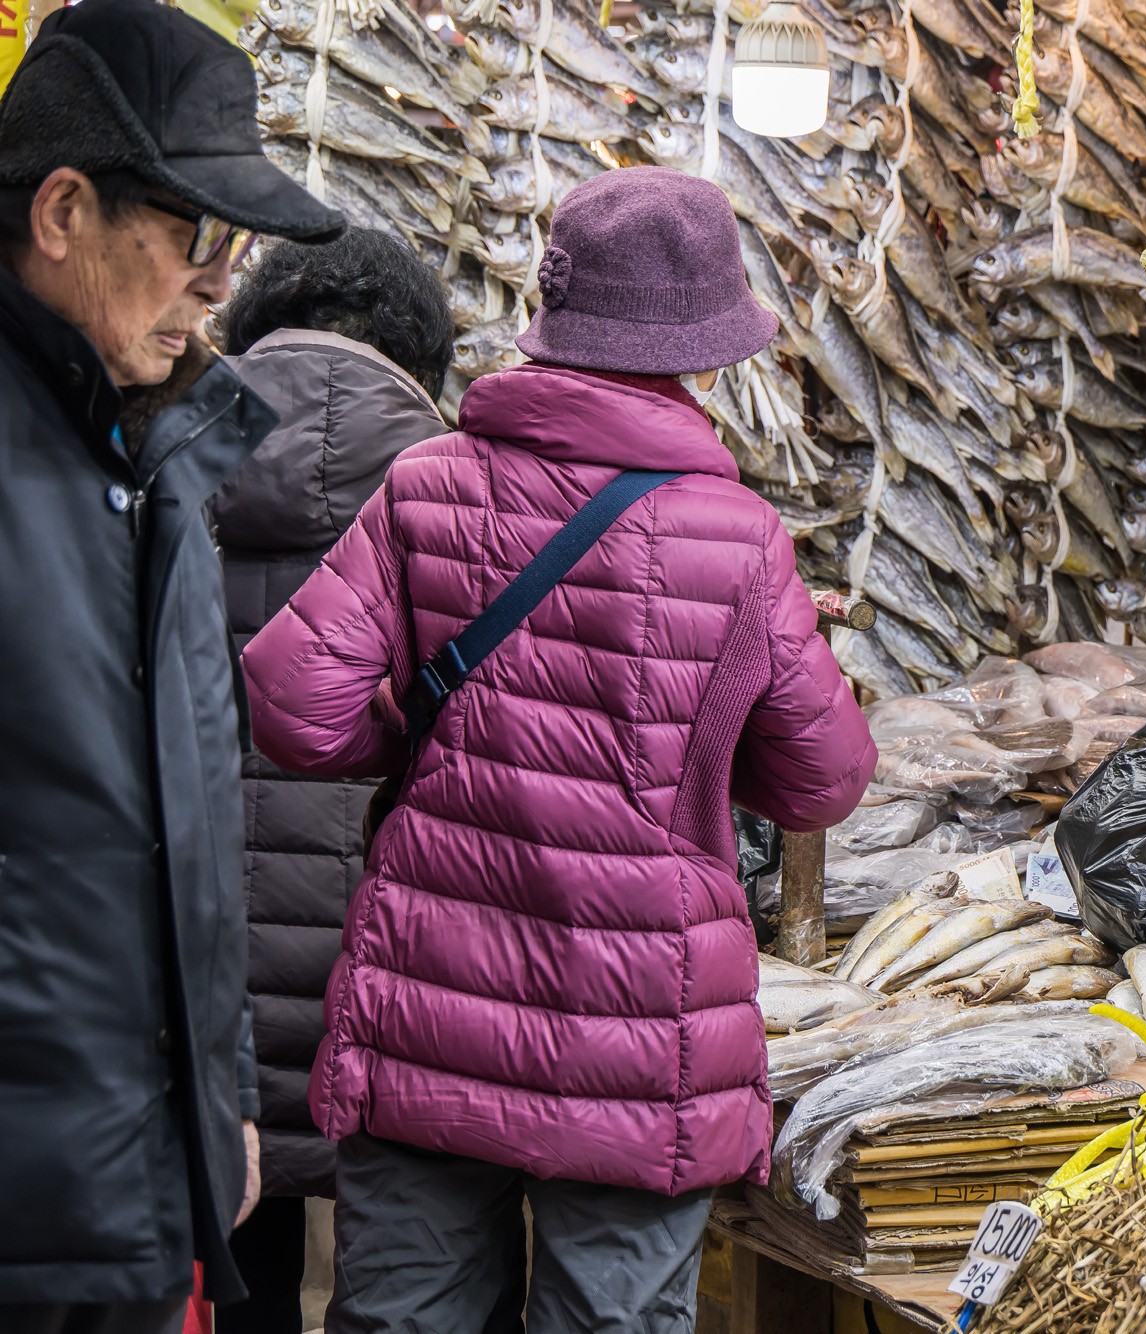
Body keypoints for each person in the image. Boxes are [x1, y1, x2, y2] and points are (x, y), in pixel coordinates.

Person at [240, 167, 875, 1332]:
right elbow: (821, 778)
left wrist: (420, 735)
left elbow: (291, 699)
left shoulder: (427, 483)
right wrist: (709, 718)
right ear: (703, 347)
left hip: (427, 1006)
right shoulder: (738, 541)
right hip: (642, 1034)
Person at [0, 2, 343, 1328]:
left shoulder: (158, 459)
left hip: (140, 1186)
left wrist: (221, 1103)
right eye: (197, 235)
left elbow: (188, 835)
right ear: (62, 211)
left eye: (236, 247)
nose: (220, 283)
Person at [211, 229, 454, 1334]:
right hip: (389, 990)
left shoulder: (154, 459)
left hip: (198, 985)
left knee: (233, 1271)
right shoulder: (463, 494)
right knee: (398, 1284)